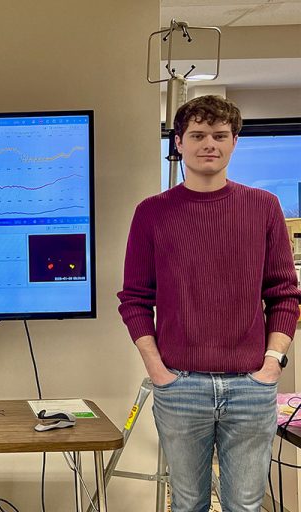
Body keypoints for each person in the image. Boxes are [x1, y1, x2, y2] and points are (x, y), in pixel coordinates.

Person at [118, 94, 300, 512]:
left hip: (250, 385)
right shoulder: (152, 213)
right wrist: (156, 370)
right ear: (178, 142)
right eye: (198, 135)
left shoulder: (264, 207)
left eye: (220, 135)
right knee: (186, 503)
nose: (209, 144)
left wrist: (273, 362)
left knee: (246, 504)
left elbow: (284, 293)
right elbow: (134, 299)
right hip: (180, 385)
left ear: (234, 141)